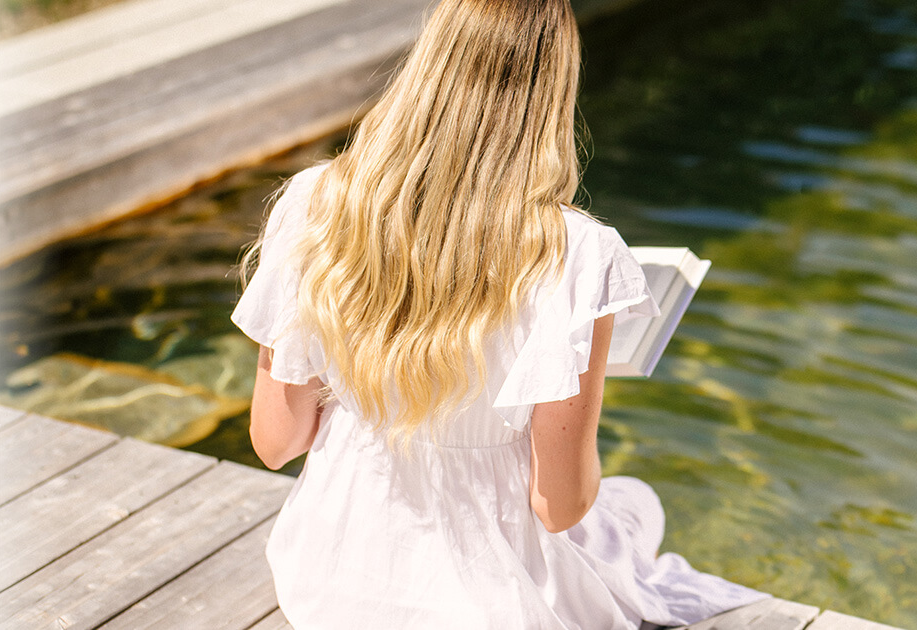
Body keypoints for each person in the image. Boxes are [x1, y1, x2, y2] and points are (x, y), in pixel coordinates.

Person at [231, 0, 769, 627]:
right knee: (636, 505)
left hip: (330, 579)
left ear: (429, 67)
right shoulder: (577, 253)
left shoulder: (312, 203)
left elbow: (276, 443)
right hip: (488, 600)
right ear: (554, 93)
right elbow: (558, 505)